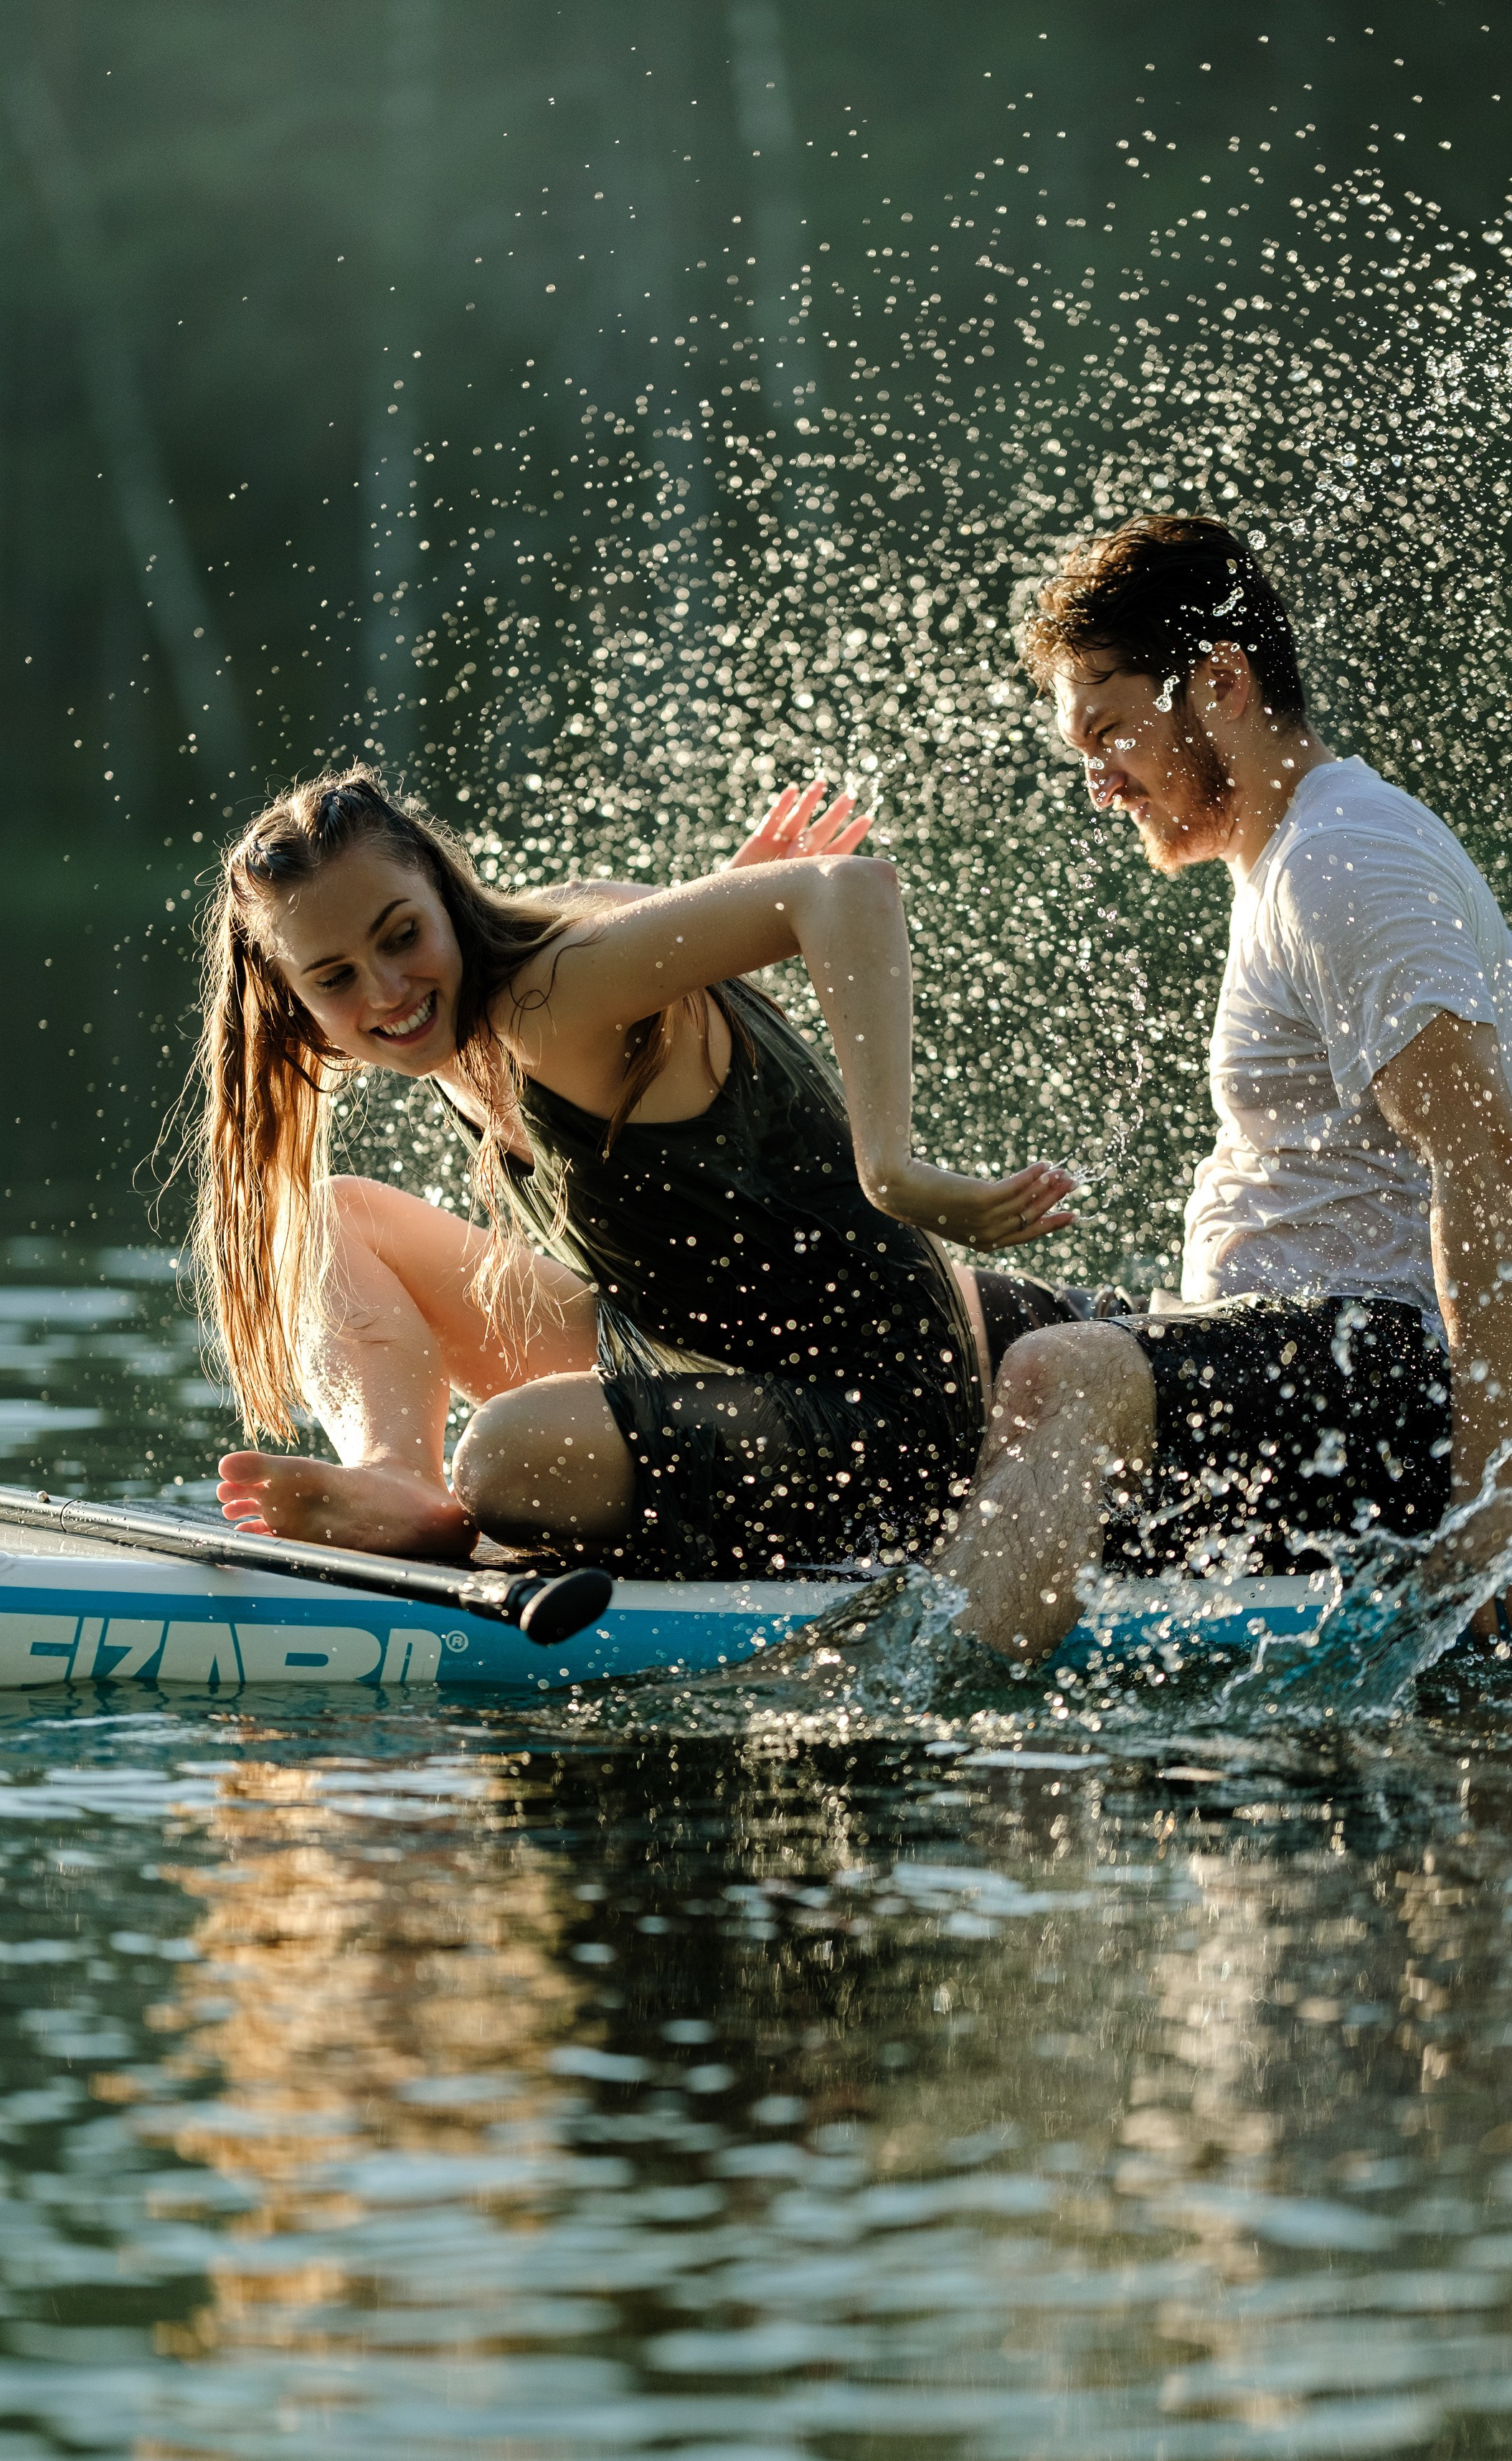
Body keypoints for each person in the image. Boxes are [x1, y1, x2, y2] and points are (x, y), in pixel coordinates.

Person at [192, 766, 1076, 1574]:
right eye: (336, 977)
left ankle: (462, 1488)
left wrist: (892, 1170)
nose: (386, 990)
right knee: (335, 1220)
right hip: (720, 1354)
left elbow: (847, 888)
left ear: (444, 892)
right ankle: (398, 1480)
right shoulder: (495, 1002)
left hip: (898, 1418)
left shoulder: (548, 997)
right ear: (295, 1005)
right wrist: (727, 895)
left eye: (402, 935)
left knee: (504, 1459)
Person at [925, 512, 1512, 1663]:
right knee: (932, 1312)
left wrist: (1490, 1503)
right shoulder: (1289, 854)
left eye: (1111, 734)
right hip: (1284, 1358)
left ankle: (928, 1737)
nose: (1100, 784)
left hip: (1393, 1383)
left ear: (1222, 682)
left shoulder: (1348, 855)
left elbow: (1486, 1164)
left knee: (1060, 1372)